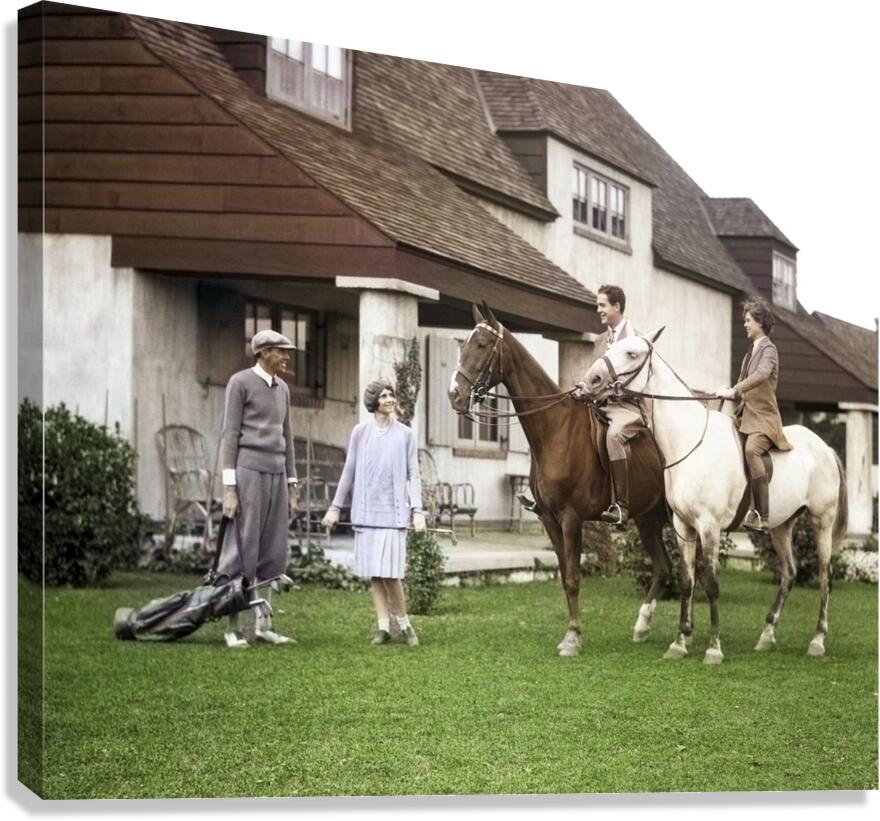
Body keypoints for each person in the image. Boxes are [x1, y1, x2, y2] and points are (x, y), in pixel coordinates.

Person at [321, 381, 426, 646]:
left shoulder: (405, 435)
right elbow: (348, 471)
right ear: (373, 402)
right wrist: (334, 508)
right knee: (376, 574)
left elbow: (414, 474)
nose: (390, 399)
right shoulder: (360, 432)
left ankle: (404, 624)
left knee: (392, 573)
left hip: (393, 515)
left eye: (391, 394)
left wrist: (417, 511)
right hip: (366, 514)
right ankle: (382, 627)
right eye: (384, 396)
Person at [217, 329, 300, 648]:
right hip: (248, 473)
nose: (287, 357)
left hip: (276, 474)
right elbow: (229, 435)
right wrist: (230, 489)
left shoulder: (284, 390)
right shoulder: (239, 383)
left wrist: (292, 484)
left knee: (273, 550)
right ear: (264, 353)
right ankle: (233, 627)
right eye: (282, 351)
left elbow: (287, 438)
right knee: (243, 548)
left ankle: (263, 625)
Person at [715, 296, 792, 532]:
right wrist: (727, 393)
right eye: (745, 320)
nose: (745, 324)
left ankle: (762, 514)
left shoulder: (769, 349)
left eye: (748, 320)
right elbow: (742, 387)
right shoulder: (749, 354)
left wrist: (736, 389)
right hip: (745, 417)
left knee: (751, 450)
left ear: (760, 322)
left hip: (763, 419)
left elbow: (760, 376)